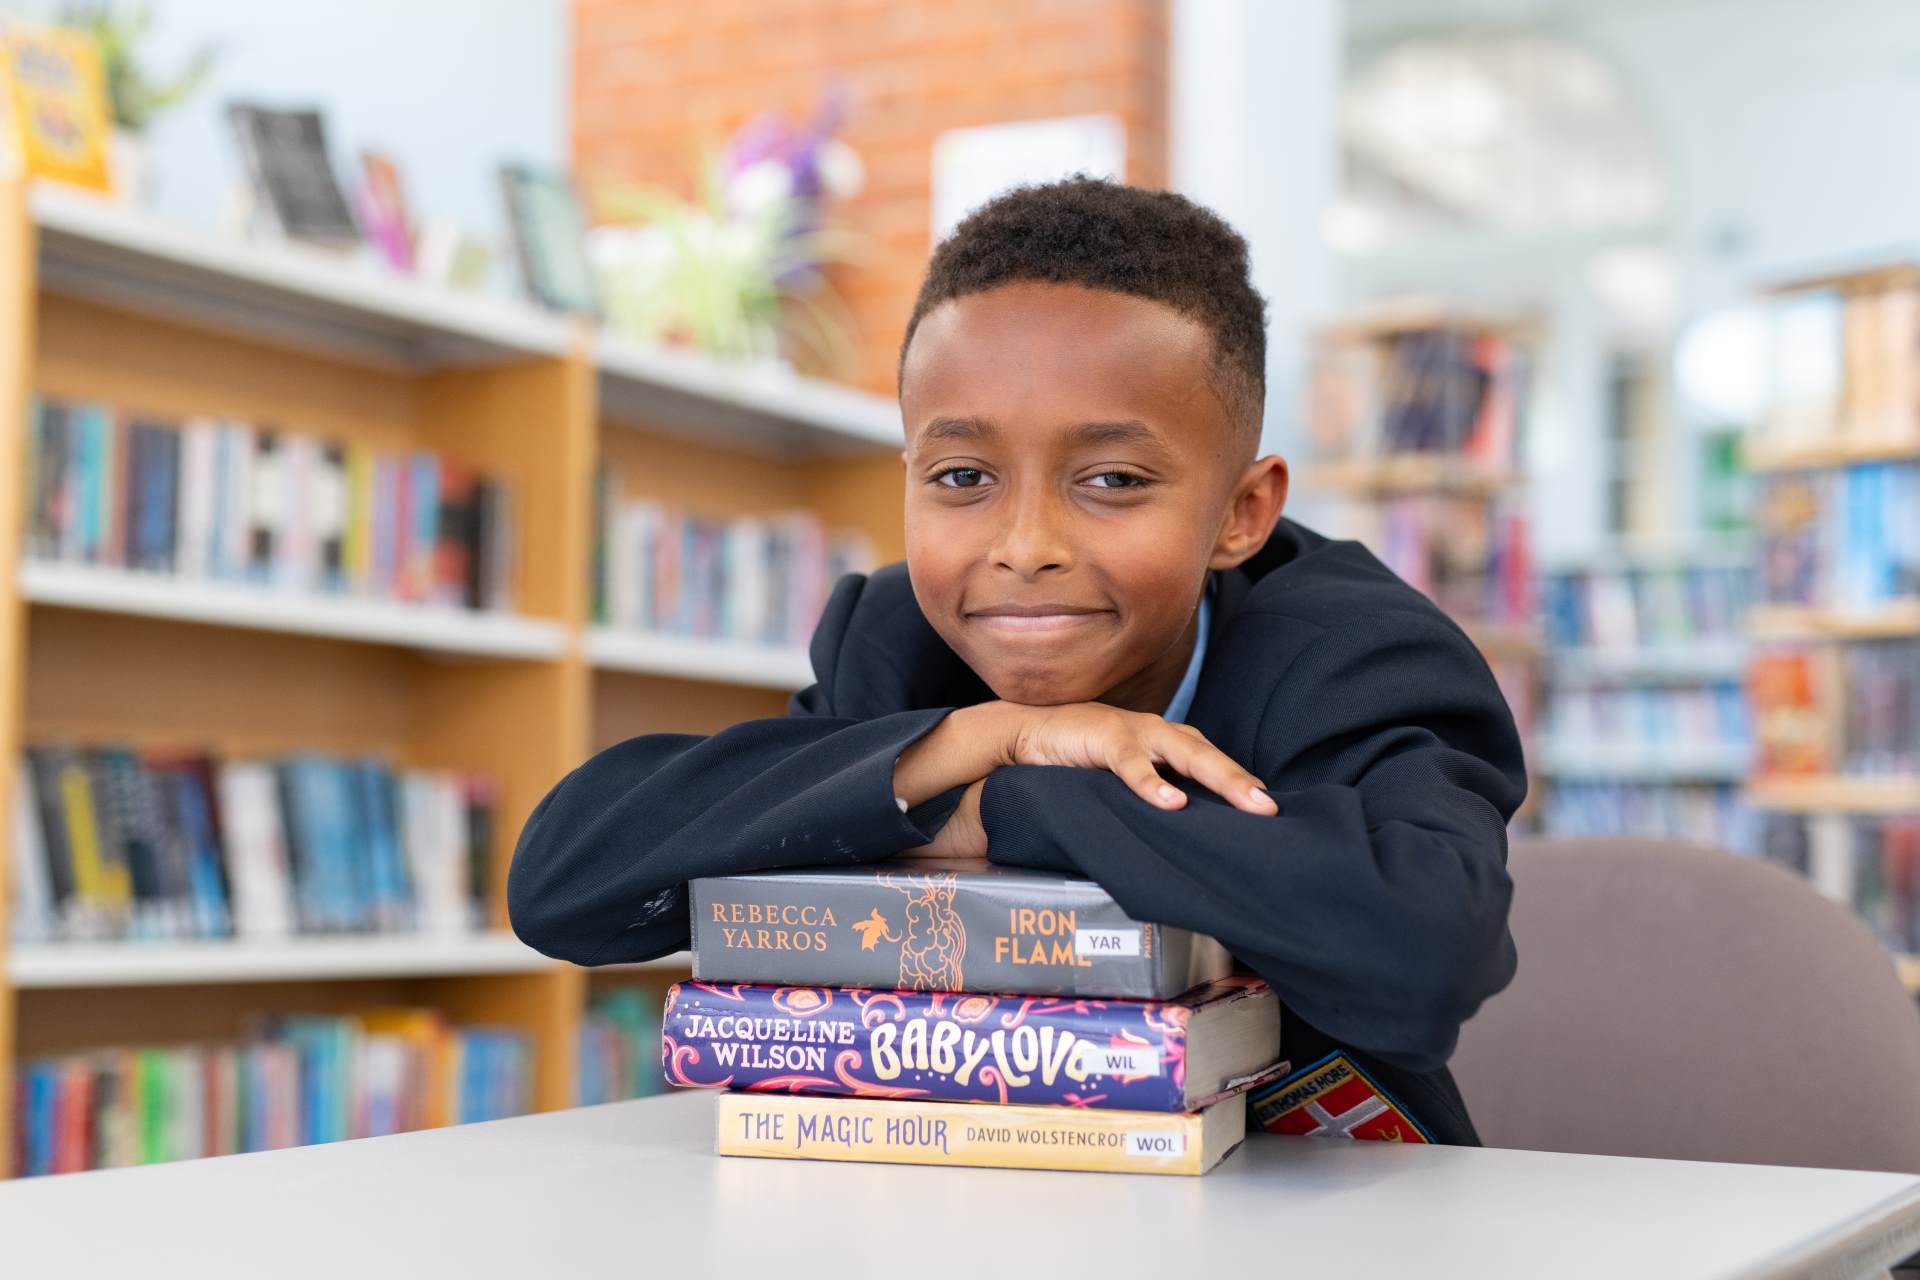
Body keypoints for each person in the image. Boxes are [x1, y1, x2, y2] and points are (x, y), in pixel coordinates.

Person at [509, 177, 1526, 1144]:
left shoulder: (1353, 655)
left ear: (1241, 512)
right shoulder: (897, 645)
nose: (1025, 545)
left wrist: (996, 798)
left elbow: (1424, 953)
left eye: (1112, 479)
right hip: (984, 1198)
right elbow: (566, 885)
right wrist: (972, 740)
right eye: (962, 476)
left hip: (1320, 1209)